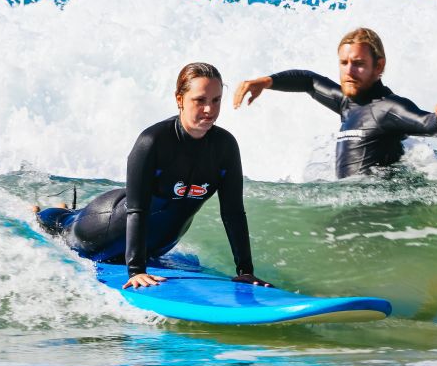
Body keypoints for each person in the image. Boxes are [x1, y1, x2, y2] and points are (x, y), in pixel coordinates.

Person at [36, 63, 271, 289]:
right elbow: (137, 210)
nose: (209, 109)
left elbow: (233, 213)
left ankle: (65, 209)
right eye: (200, 100)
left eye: (216, 100)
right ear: (180, 99)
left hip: (159, 245)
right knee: (65, 225)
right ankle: (43, 212)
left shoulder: (225, 146)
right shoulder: (154, 141)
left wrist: (245, 271)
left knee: (72, 217)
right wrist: (136, 270)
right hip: (104, 233)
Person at [232, 27, 437, 178]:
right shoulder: (346, 104)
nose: (349, 71)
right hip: (354, 202)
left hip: (378, 209)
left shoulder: (388, 107)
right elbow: (309, 82)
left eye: (358, 63)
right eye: (344, 62)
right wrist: (268, 81)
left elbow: (426, 124)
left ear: (378, 66)